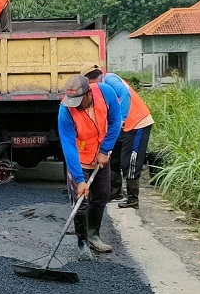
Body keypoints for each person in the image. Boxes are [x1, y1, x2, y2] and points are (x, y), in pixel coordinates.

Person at [58, 74, 121, 259]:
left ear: (88, 93)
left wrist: (106, 149)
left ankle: (94, 235)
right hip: (79, 159)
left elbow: (116, 121)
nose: (75, 105)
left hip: (100, 156)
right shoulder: (65, 111)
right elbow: (68, 146)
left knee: (102, 196)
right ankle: (82, 243)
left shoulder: (105, 93)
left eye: (78, 100)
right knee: (80, 203)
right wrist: (79, 179)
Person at [82, 64, 154, 210]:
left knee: (130, 162)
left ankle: (133, 199)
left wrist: (122, 118)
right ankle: (115, 193)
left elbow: (125, 95)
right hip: (122, 127)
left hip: (137, 123)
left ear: (91, 80)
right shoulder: (100, 89)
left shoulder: (109, 80)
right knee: (113, 158)